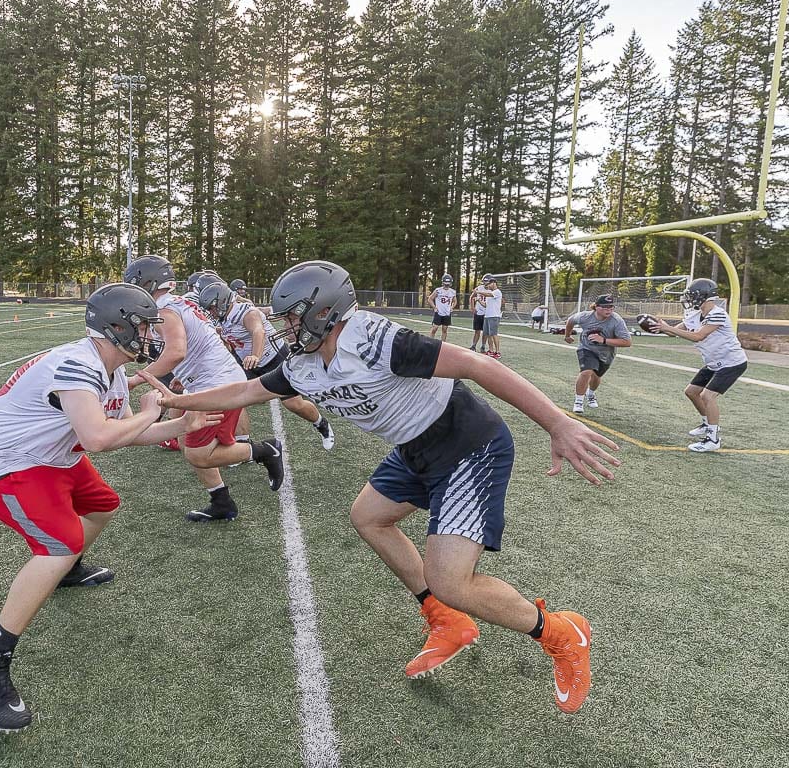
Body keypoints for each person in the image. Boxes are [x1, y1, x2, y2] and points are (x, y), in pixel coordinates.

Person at [145, 259, 619, 714]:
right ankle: (445, 619)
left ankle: (561, 633)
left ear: (323, 313)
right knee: (368, 518)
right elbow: (246, 390)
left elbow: (477, 365)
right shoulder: (302, 362)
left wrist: (557, 423)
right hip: (415, 448)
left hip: (466, 442)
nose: (282, 328)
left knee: (451, 579)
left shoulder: (371, 338)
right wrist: (178, 398)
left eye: (291, 317)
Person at [0, 283, 222, 733]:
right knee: (59, 545)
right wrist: (151, 412)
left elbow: (121, 434)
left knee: (103, 504)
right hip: (8, 464)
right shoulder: (78, 364)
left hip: (51, 456)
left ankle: (70, 570)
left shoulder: (110, 369)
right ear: (116, 326)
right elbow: (100, 438)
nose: (150, 336)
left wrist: (180, 423)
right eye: (143, 326)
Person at [124, 254, 284, 522]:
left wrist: (136, 378)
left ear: (147, 283)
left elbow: (175, 351)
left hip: (218, 384)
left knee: (199, 453)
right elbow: (200, 343)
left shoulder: (165, 309)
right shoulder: (179, 303)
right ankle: (221, 502)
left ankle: (267, 450)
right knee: (188, 440)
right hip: (211, 379)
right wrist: (184, 377)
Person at [198, 281, 335, 450]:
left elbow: (258, 331)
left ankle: (321, 424)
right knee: (233, 397)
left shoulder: (245, 312)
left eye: (212, 307)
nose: (211, 312)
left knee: (294, 404)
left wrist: (255, 354)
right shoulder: (223, 318)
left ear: (222, 302)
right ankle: (242, 442)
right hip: (249, 364)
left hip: (274, 359)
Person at [652, 279, 748, 452]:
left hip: (731, 362)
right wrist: (658, 327)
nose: (689, 299)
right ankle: (706, 423)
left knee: (707, 396)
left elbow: (698, 336)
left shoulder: (717, 314)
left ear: (704, 295)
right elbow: (673, 333)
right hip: (713, 362)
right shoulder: (694, 314)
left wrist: (669, 329)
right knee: (691, 392)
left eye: (692, 295)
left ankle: (713, 439)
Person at [562, 295, 631, 413]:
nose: (608, 310)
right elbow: (571, 320)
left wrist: (603, 340)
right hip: (586, 348)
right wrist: (567, 335)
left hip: (606, 353)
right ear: (596, 307)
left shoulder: (616, 320)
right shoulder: (585, 316)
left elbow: (627, 342)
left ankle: (591, 393)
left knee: (596, 377)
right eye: (605, 307)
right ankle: (578, 401)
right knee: (586, 371)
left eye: (611, 307)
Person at [474, 276, 503, 359]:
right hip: (487, 316)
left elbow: (489, 294)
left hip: (494, 316)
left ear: (494, 283)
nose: (488, 286)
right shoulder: (489, 294)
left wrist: (478, 292)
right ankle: (490, 350)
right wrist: (479, 300)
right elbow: (485, 305)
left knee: (494, 334)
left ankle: (497, 352)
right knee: (488, 334)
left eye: (489, 284)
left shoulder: (497, 292)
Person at [427, 274, 457, 341]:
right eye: (445, 283)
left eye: (448, 284)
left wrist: (452, 307)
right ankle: (430, 342)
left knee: (444, 329)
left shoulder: (452, 292)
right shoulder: (438, 290)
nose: (446, 285)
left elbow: (455, 301)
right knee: (434, 328)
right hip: (439, 312)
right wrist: (434, 307)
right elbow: (430, 299)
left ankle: (443, 344)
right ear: (443, 283)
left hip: (447, 313)